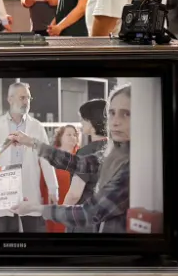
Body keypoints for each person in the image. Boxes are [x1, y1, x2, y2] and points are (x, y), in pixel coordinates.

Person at [10, 85, 131, 233]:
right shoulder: (114, 153)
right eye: (112, 113)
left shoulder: (131, 165)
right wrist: (31, 142)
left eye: (126, 114)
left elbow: (89, 213)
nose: (115, 121)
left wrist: (36, 208)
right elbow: (78, 163)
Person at [0, 82, 59, 232]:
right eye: (22, 97)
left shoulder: (36, 126)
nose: (26, 102)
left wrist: (53, 188)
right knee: (3, 233)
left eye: (28, 98)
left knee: (32, 231)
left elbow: (46, 159)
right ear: (10, 99)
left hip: (28, 187)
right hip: (2, 189)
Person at [61, 98, 108, 221]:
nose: (81, 123)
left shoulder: (85, 153)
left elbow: (74, 195)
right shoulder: (116, 149)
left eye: (83, 119)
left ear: (92, 122)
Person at [45, 125, 80, 234]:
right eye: (69, 134)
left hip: (74, 205)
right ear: (60, 137)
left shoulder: (81, 155)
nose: (72, 137)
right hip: (54, 202)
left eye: (74, 135)